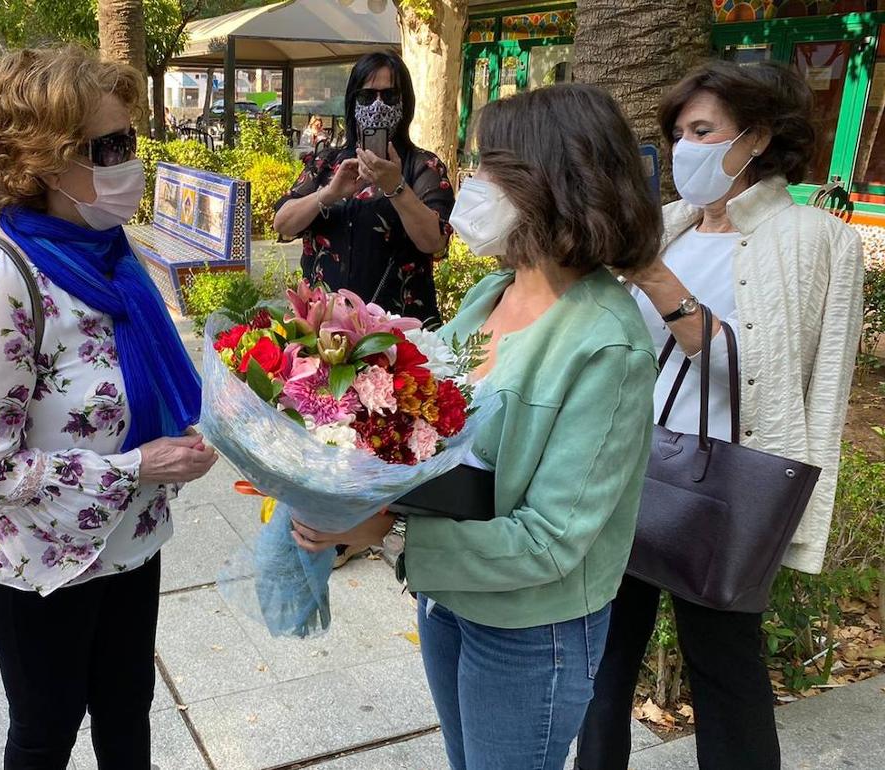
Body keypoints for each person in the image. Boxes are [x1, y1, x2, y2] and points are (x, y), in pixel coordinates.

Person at [291, 84, 663, 770]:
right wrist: (334, 391)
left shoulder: (607, 344)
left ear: (555, 181)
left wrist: (390, 535)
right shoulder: (497, 291)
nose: (472, 182)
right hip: (451, 596)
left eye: (492, 167)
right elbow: (418, 405)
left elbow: (553, 540)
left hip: (531, 627)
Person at [0, 45, 217, 769]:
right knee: (46, 732)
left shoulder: (109, 249)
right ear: (44, 161)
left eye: (132, 140)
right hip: (37, 565)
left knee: (128, 714)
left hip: (128, 544)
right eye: (111, 145)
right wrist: (133, 467)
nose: (132, 162)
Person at [577, 61, 864, 770]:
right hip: (628, 470)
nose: (684, 149)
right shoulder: (667, 225)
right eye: (678, 133)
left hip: (723, 490)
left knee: (726, 676)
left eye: (703, 131)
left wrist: (656, 280)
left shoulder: (811, 240)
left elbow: (769, 370)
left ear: (758, 137)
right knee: (600, 665)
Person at [274, 52, 454, 327]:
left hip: (401, 337)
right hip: (326, 334)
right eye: (367, 96)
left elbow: (433, 242)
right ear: (352, 102)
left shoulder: (423, 167)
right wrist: (329, 194)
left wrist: (396, 187)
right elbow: (283, 224)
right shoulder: (326, 163)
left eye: (390, 96)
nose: (378, 105)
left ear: (405, 103)